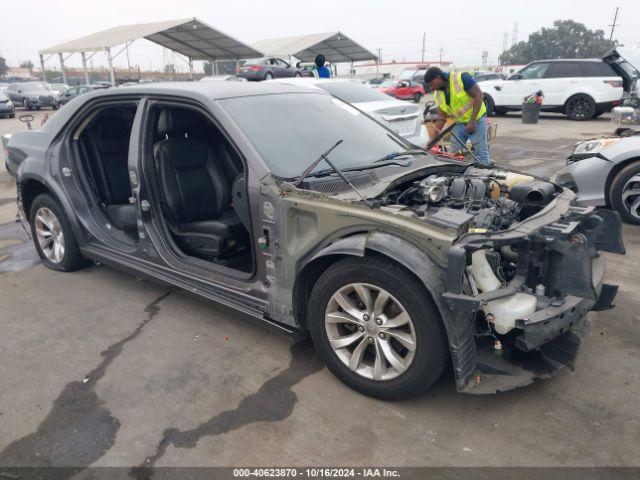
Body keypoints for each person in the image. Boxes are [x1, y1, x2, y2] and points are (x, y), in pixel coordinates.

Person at [423, 66, 491, 166]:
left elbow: (479, 95)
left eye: (432, 84)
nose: (431, 88)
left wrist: (472, 121)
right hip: (459, 123)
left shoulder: (461, 78)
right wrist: (432, 140)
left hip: (476, 119)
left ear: (438, 77)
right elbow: (441, 118)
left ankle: (485, 174)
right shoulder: (438, 94)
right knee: (455, 155)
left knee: (481, 153)